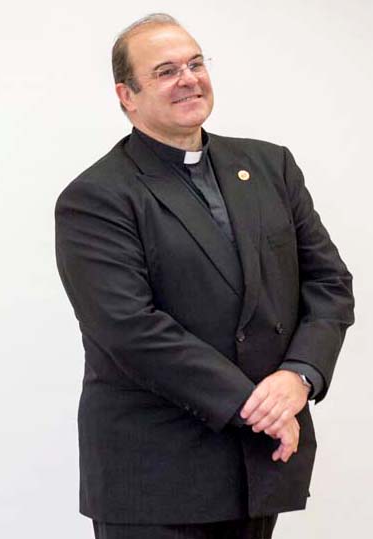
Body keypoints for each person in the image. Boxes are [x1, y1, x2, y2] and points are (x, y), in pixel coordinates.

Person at [55, 14, 354, 539]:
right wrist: (258, 407)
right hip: (157, 479)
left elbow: (328, 285)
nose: (189, 78)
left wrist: (298, 377)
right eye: (166, 71)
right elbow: (131, 328)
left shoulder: (270, 166)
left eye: (195, 64)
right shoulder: (97, 196)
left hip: (258, 469)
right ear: (127, 95)